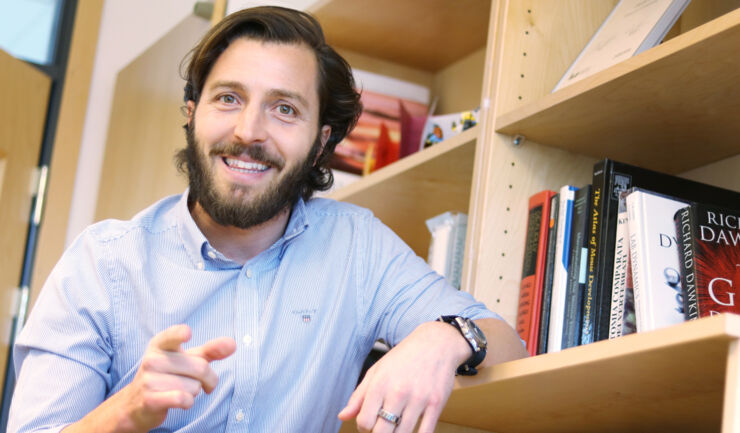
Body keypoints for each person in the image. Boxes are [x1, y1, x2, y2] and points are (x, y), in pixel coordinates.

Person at [8, 6, 527, 433]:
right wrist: (124, 413)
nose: (249, 130)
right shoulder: (101, 265)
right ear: (192, 111)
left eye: (284, 109)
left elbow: (508, 344)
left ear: (321, 139)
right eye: (228, 98)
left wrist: (443, 337)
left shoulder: (358, 246)